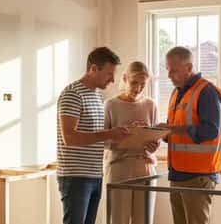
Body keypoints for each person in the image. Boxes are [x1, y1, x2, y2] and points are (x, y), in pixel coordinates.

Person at [57, 47, 131, 224]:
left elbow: (96, 137)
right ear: (93, 69)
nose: (113, 80)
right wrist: (108, 133)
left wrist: (120, 134)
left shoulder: (97, 97)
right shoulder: (72, 94)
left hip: (95, 175)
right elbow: (70, 138)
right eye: (108, 74)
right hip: (75, 177)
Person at [159, 46, 221, 224]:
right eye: (168, 70)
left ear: (189, 68)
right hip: (177, 172)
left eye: (174, 70)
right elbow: (174, 131)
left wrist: (175, 129)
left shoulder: (207, 92)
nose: (169, 75)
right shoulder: (176, 93)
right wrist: (159, 132)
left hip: (198, 175)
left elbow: (211, 130)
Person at [104, 61, 160, 224]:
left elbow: (155, 138)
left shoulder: (150, 105)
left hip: (146, 166)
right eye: (134, 83)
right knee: (118, 219)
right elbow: (102, 141)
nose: (138, 88)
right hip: (119, 167)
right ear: (124, 79)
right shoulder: (111, 105)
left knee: (144, 220)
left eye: (143, 84)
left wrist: (154, 145)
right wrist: (126, 134)